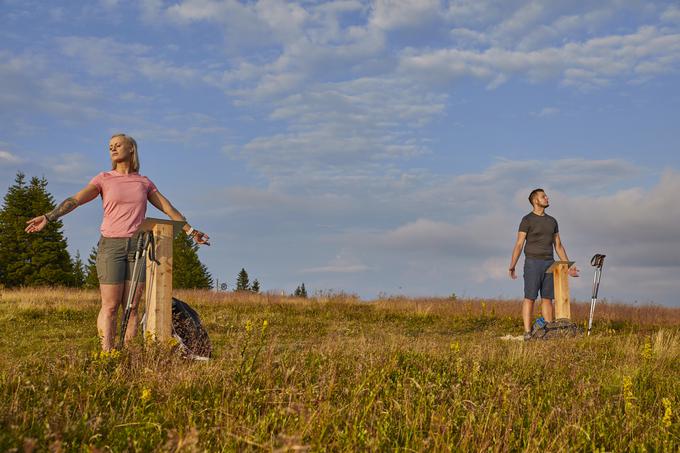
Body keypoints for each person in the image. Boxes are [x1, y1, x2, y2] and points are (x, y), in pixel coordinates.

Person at [25, 133, 210, 351]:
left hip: (140, 248)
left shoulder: (144, 182)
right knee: (111, 306)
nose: (113, 148)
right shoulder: (103, 178)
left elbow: (168, 208)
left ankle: (129, 355)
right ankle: (107, 355)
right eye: (110, 146)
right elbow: (76, 200)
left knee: (131, 307)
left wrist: (191, 231)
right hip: (111, 247)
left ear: (131, 148)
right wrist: (48, 217)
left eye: (118, 144)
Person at [508, 188, 578, 340]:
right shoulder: (527, 220)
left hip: (549, 262)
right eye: (543, 196)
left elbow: (558, 245)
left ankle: (548, 330)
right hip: (532, 262)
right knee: (530, 297)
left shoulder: (552, 221)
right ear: (535, 200)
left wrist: (568, 266)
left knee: (547, 298)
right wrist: (512, 265)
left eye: (546, 196)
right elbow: (519, 244)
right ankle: (527, 333)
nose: (547, 198)